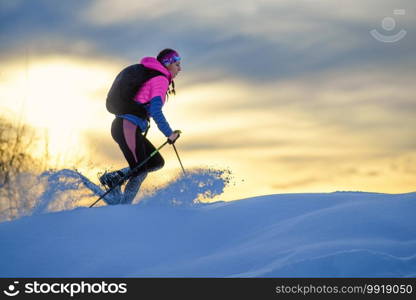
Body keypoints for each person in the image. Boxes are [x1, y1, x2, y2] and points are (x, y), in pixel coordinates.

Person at [99, 48, 182, 205]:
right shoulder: (161, 79)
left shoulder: (157, 77)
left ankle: (114, 178)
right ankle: (124, 207)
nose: (180, 69)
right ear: (168, 64)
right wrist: (169, 134)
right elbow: (155, 111)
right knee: (140, 170)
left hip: (129, 127)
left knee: (155, 162)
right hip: (126, 126)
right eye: (177, 64)